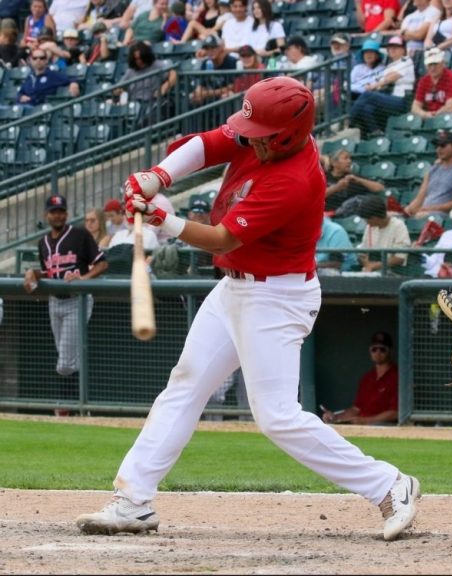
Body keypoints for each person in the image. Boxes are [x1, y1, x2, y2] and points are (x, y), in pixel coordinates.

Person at [74, 77, 421, 541]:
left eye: (257, 134)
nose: (246, 138)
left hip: (276, 298)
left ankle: (390, 485)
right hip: (234, 288)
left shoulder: (295, 178)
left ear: (285, 136)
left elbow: (222, 237)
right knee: (185, 384)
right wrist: (158, 177)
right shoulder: (265, 132)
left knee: (276, 415)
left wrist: (163, 218)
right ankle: (134, 501)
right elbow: (208, 142)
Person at [22, 195, 108, 379]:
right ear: (46, 215)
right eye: (53, 212)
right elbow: (49, 272)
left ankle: (68, 404)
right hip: (55, 302)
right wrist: (34, 273)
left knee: (65, 363)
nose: (57, 216)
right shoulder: (42, 242)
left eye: (61, 211)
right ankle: (77, 405)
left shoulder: (79, 234)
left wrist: (85, 278)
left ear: (67, 214)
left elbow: (102, 263)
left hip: (77, 300)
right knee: (67, 359)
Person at [322, 331, 399, 425]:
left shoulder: (397, 376)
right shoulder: (367, 378)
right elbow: (356, 409)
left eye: (382, 349)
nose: (378, 352)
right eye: (374, 349)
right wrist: (335, 417)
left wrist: (365, 421)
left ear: (390, 350)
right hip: (362, 424)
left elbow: (395, 413)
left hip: (383, 425)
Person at [349, 35, 415, 138]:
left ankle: (349, 120)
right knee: (366, 107)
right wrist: (373, 85)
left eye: (396, 47)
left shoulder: (407, 61)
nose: (392, 50)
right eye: (390, 47)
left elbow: (390, 78)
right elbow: (381, 79)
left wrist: (374, 85)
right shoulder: (390, 65)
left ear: (403, 50)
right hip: (391, 99)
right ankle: (376, 132)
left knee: (368, 95)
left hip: (403, 100)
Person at [403, 130, 452, 219]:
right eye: (436, 146)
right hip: (424, 213)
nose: (438, 149)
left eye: (443, 145)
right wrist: (408, 210)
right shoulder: (432, 169)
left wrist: (431, 209)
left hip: (444, 216)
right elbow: (420, 198)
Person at [113, 41, 177, 123]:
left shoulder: (156, 65)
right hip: (135, 106)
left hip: (152, 103)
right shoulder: (131, 71)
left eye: (141, 58)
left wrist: (165, 86)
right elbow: (118, 87)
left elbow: (173, 73)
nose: (139, 61)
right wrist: (117, 91)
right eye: (136, 59)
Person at [356, 194, 412, 273]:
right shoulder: (370, 227)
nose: (366, 223)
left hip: (392, 274)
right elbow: (362, 253)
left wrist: (374, 266)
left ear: (374, 218)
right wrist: (368, 265)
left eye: (367, 220)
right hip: (370, 273)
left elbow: (400, 258)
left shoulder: (398, 226)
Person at [324, 148, 385, 214]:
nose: (349, 161)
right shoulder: (323, 176)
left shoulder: (353, 178)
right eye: (346, 158)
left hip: (345, 216)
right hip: (323, 214)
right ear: (334, 163)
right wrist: (336, 187)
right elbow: (315, 196)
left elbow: (380, 188)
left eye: (350, 158)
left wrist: (359, 180)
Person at [410, 47, 452, 119]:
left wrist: (434, 116)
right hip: (428, 117)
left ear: (443, 63)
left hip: (449, 119)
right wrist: (425, 114)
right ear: (426, 66)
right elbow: (415, 107)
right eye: (430, 64)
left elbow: (450, 107)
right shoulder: (424, 81)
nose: (433, 68)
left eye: (435, 64)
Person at [16, 48, 80, 106]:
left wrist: (74, 83)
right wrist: (21, 97)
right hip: (24, 107)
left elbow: (70, 79)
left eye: (42, 58)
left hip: (40, 109)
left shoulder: (53, 75)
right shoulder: (30, 77)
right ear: (31, 60)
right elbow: (21, 92)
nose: (38, 60)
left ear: (46, 60)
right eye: (35, 58)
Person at [189, 34, 238, 105]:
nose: (210, 51)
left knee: (226, 97)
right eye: (207, 48)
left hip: (227, 99)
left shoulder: (232, 62)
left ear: (220, 47)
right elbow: (202, 84)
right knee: (193, 98)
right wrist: (197, 93)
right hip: (212, 98)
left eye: (213, 47)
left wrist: (207, 93)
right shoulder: (205, 63)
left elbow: (232, 87)